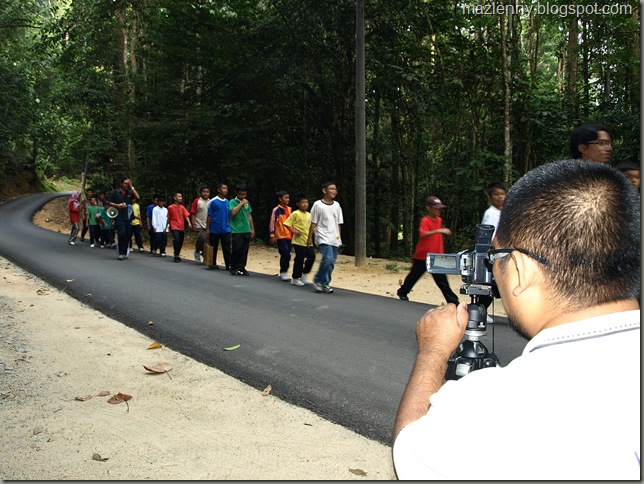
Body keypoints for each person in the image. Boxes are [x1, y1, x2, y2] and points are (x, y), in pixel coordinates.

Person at [392, 159, 640, 480]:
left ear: (521, 270)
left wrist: (433, 352)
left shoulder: (493, 404)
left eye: (496, 257)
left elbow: (409, 457)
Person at [396, 196, 460, 305]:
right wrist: (438, 230)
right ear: (429, 208)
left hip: (436, 255)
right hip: (423, 255)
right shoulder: (425, 220)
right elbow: (423, 234)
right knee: (414, 276)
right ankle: (403, 291)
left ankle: (453, 301)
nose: (438, 210)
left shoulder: (439, 220)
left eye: (439, 208)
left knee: (442, 280)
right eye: (436, 208)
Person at [307, 181, 343, 294]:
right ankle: (318, 280)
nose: (334, 191)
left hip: (334, 237)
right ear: (324, 190)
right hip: (322, 236)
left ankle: (325, 283)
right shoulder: (318, 205)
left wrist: (339, 238)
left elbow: (339, 223)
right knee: (327, 259)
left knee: (331, 262)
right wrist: (310, 237)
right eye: (331, 189)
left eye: (335, 189)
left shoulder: (337, 205)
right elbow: (313, 222)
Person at [283, 194, 315, 287]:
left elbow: (312, 227)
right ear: (298, 204)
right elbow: (287, 223)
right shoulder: (295, 213)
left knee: (312, 257)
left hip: (308, 240)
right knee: (299, 259)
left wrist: (311, 237)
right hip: (298, 241)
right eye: (303, 202)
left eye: (306, 202)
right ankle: (295, 278)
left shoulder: (310, 215)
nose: (305, 204)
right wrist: (293, 231)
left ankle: (304, 273)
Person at [107, 177, 140, 260]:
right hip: (118, 216)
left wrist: (132, 186)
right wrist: (118, 205)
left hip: (128, 216)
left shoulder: (130, 192)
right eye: (125, 183)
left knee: (127, 235)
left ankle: (125, 252)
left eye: (127, 184)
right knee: (121, 233)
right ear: (121, 184)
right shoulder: (115, 192)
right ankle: (121, 253)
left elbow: (137, 197)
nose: (126, 185)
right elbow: (109, 202)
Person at [229, 183, 255, 276]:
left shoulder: (247, 203)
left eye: (244, 194)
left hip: (246, 229)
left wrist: (252, 228)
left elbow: (249, 215)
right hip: (236, 229)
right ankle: (233, 266)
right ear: (236, 193)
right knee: (237, 248)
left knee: (244, 250)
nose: (242, 196)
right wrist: (241, 203)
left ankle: (241, 267)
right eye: (240, 194)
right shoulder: (232, 201)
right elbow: (233, 212)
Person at [205, 183, 232, 271]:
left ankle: (229, 264)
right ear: (219, 190)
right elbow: (209, 215)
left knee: (227, 247)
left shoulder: (228, 202)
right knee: (214, 246)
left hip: (226, 228)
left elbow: (229, 216)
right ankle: (212, 263)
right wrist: (207, 228)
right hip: (214, 228)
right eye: (223, 188)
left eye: (226, 188)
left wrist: (230, 225)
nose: (225, 190)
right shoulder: (213, 201)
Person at [268, 190, 293, 281]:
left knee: (288, 254)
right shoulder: (276, 210)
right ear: (280, 199)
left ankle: (284, 270)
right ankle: (283, 272)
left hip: (289, 235)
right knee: (285, 253)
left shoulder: (290, 209)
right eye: (285, 198)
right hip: (280, 235)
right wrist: (272, 234)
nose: (288, 199)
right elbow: (272, 222)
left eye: (288, 198)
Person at [167, 192, 193, 262]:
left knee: (181, 241)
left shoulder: (182, 207)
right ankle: (176, 255)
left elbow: (186, 215)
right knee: (176, 239)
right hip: (174, 226)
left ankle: (177, 254)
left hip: (181, 226)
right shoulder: (170, 207)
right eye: (179, 196)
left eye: (181, 197)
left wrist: (189, 223)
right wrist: (167, 226)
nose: (180, 198)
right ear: (175, 198)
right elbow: (168, 217)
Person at [189, 185, 211, 263]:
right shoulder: (197, 201)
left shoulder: (211, 202)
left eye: (207, 192)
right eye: (204, 192)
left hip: (208, 224)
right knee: (202, 237)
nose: (205, 193)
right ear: (200, 193)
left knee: (208, 241)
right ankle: (197, 251)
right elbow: (193, 212)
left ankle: (204, 254)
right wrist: (193, 223)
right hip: (199, 223)